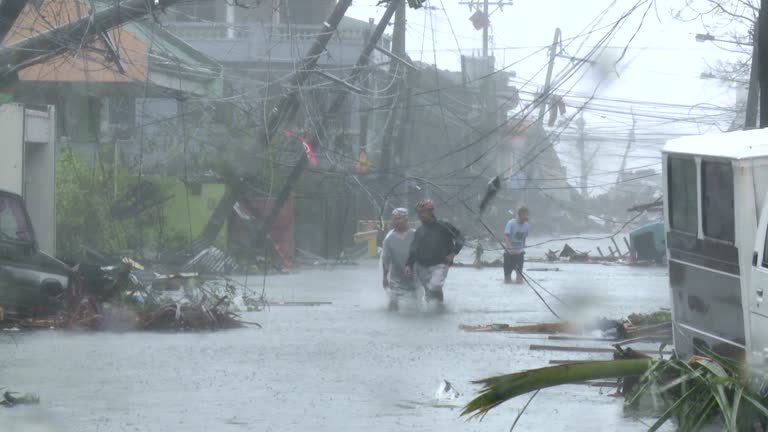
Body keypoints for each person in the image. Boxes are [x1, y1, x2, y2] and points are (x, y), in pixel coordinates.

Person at [404, 199, 464, 307]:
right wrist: (408, 264)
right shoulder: (419, 231)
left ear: (431, 211)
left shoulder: (443, 226)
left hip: (441, 263)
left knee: (435, 286)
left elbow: (460, 238)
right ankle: (438, 309)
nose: (421, 215)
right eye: (419, 213)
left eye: (423, 212)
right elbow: (413, 249)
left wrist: (453, 253)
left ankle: (438, 307)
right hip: (422, 266)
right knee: (430, 295)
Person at [381, 208, 415, 311]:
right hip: (396, 275)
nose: (397, 221)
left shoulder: (415, 234)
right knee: (393, 301)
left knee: (415, 302)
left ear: (406, 219)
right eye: (395, 219)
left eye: (400, 218)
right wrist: (384, 277)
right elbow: (385, 259)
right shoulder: (389, 238)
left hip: (414, 274)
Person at [504, 206, 530, 284]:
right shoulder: (511, 223)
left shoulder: (526, 225)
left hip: (520, 253)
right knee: (507, 276)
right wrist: (511, 249)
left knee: (519, 275)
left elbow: (524, 237)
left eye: (527, 215)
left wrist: (524, 246)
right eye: (524, 216)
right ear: (519, 215)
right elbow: (506, 236)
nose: (525, 218)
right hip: (509, 253)